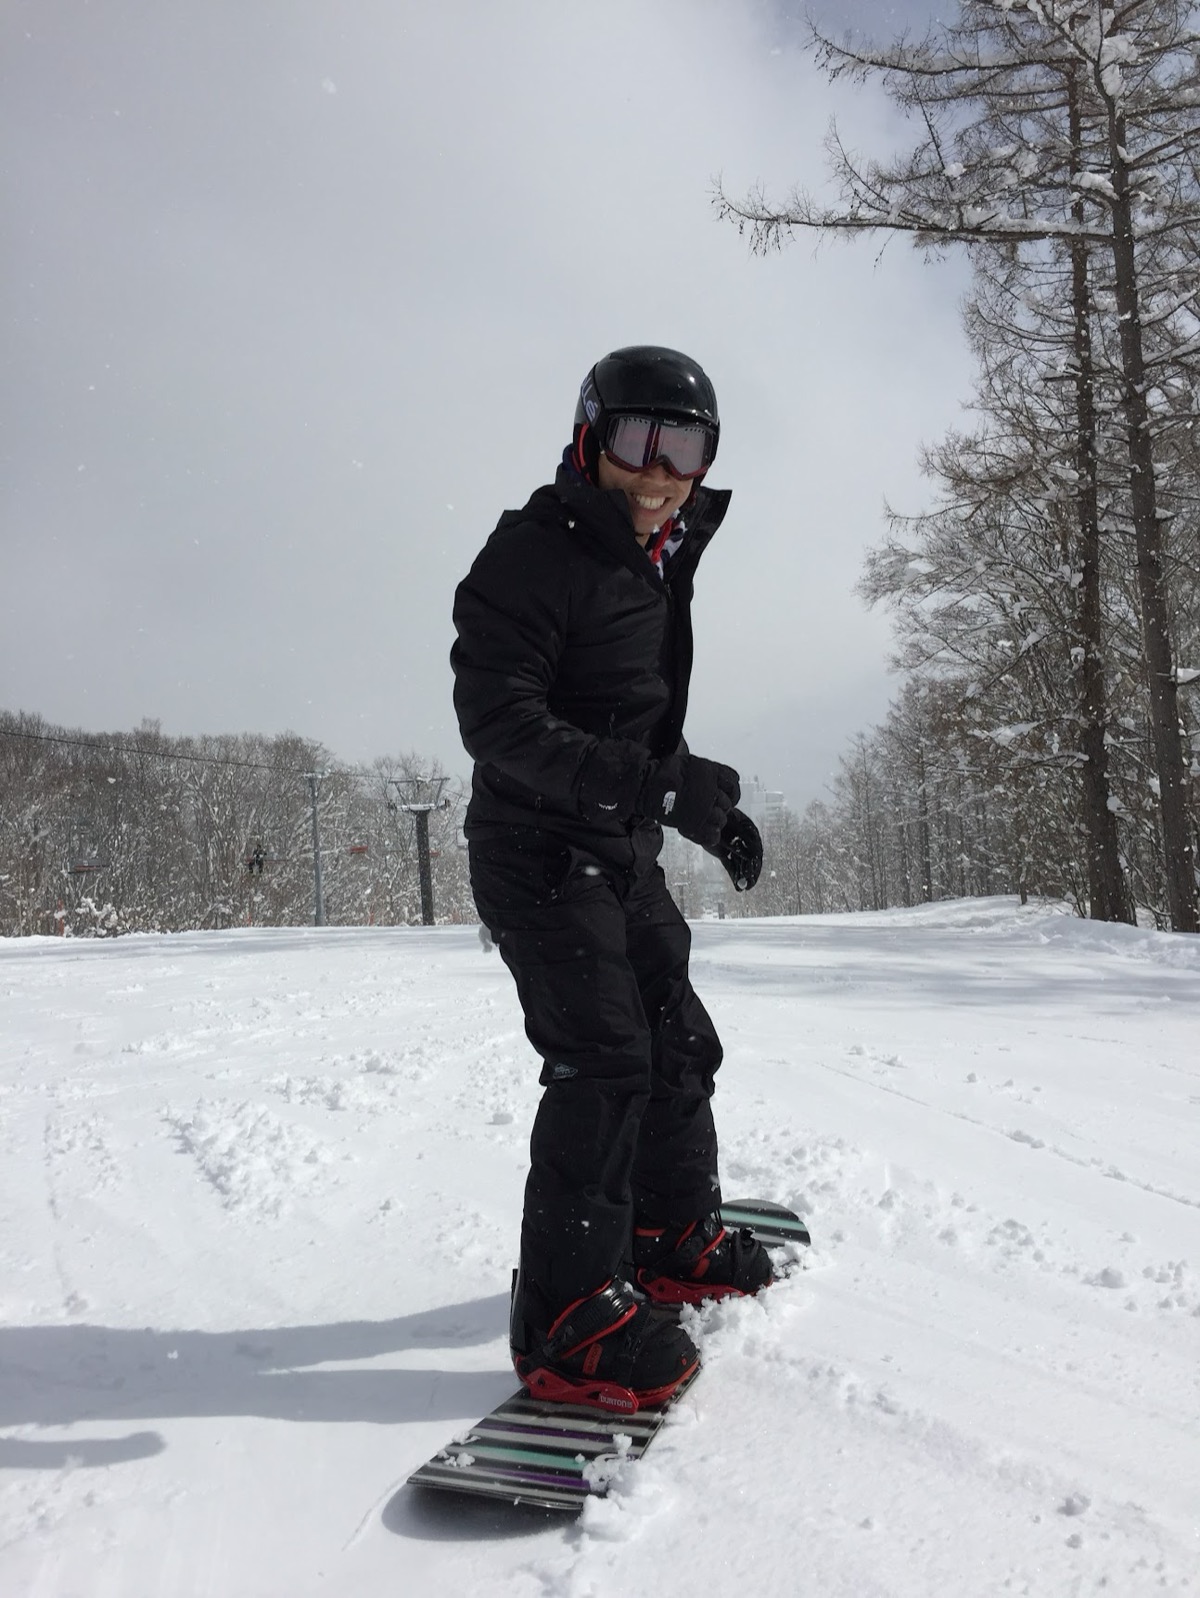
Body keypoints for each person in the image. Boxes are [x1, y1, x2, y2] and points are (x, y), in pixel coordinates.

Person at [450, 345, 769, 1412]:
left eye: (686, 445)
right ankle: (571, 1318)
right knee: (604, 1059)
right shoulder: (530, 558)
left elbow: (630, 718)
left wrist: (697, 803)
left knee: (678, 1036)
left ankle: (666, 1231)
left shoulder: (654, 558)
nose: (660, 467)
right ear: (591, 438)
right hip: (536, 851)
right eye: (639, 438)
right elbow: (502, 724)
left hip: (613, 841)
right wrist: (658, 785)